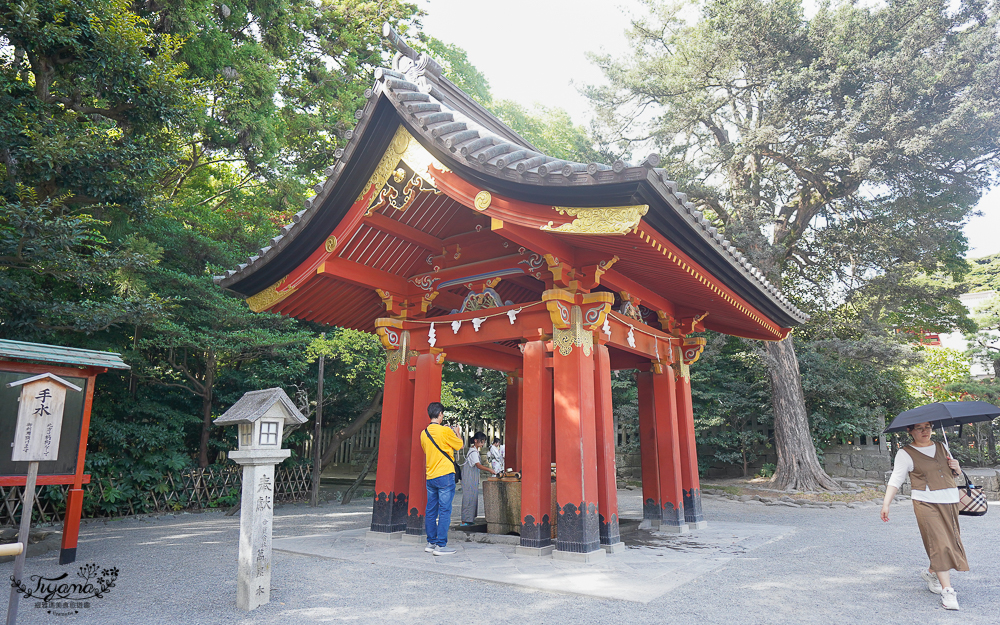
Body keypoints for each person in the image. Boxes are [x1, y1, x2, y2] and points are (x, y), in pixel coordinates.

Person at [880, 421, 967, 610]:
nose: (925, 431)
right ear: (909, 430)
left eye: (928, 427)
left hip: (950, 500)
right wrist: (886, 503)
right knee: (940, 542)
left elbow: (954, 474)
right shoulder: (905, 453)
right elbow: (896, 478)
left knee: (950, 542)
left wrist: (957, 467)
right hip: (925, 502)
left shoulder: (941, 446)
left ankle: (931, 572)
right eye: (919, 428)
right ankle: (948, 591)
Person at [419, 402, 463, 556]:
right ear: (439, 414)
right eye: (442, 414)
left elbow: (427, 451)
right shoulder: (445, 431)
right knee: (444, 510)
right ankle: (441, 545)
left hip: (430, 476)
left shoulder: (424, 433)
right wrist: (457, 432)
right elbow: (459, 445)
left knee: (431, 510)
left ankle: (431, 542)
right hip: (445, 475)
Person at [461, 432, 492, 525]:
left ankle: (469, 519)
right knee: (468, 498)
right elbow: (478, 465)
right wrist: (489, 470)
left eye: (483, 442)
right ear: (475, 440)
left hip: (473, 477)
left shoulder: (475, 451)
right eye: (481, 442)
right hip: (469, 477)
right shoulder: (473, 452)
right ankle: (464, 520)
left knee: (473, 497)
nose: (482, 444)